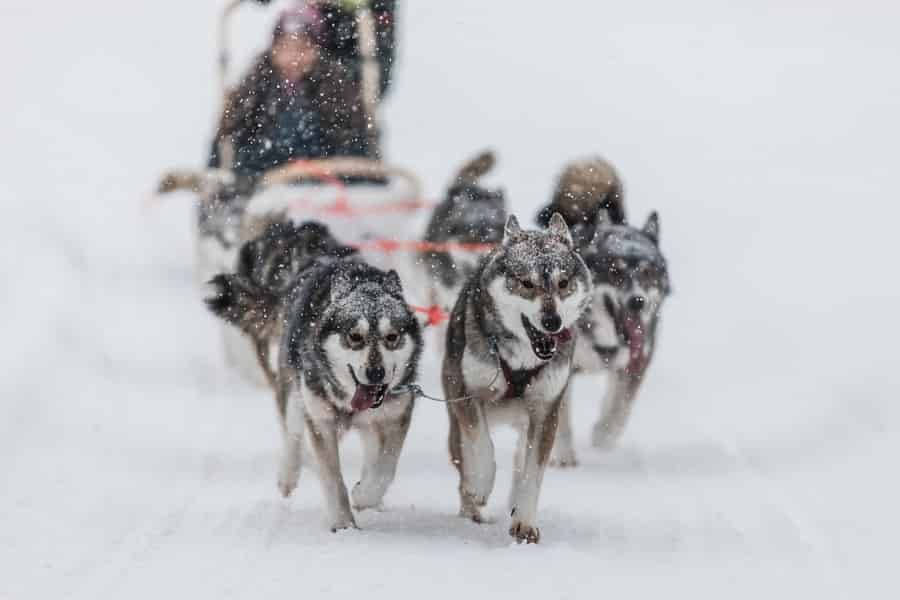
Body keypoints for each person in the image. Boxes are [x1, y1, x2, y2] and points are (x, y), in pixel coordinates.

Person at [208, 2, 381, 178]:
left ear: (317, 51)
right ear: (273, 50)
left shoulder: (338, 91)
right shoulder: (253, 90)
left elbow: (355, 151)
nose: (293, 59)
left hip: (327, 186)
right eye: (285, 48)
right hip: (260, 185)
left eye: (303, 49)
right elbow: (229, 145)